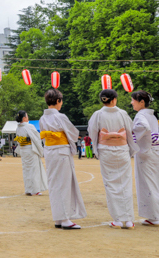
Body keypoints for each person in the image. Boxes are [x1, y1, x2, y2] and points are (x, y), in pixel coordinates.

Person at [88, 89, 138, 229]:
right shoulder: (122, 113)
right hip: (121, 149)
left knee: (110, 184)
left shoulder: (97, 115)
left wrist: (96, 150)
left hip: (106, 150)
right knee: (125, 184)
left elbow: (92, 132)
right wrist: (131, 149)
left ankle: (117, 219)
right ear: (114, 99)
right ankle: (128, 220)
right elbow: (130, 131)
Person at [39, 89, 86, 230]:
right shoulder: (61, 116)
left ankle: (59, 218)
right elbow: (73, 133)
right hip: (61, 151)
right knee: (64, 183)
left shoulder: (42, 118)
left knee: (54, 183)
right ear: (58, 101)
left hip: (50, 151)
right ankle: (65, 218)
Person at [131, 90, 159, 227]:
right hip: (156, 151)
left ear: (141, 102)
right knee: (158, 182)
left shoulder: (141, 115)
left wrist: (134, 137)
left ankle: (153, 217)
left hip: (146, 152)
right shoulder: (152, 116)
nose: (131, 102)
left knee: (148, 183)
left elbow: (143, 127)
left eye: (133, 100)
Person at [14, 110, 48, 196]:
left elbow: (18, 140)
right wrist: (41, 150)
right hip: (31, 150)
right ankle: (36, 190)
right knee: (34, 169)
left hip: (23, 150)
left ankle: (28, 189)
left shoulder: (18, 128)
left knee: (26, 170)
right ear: (24, 118)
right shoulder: (29, 126)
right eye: (27, 116)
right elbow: (37, 138)